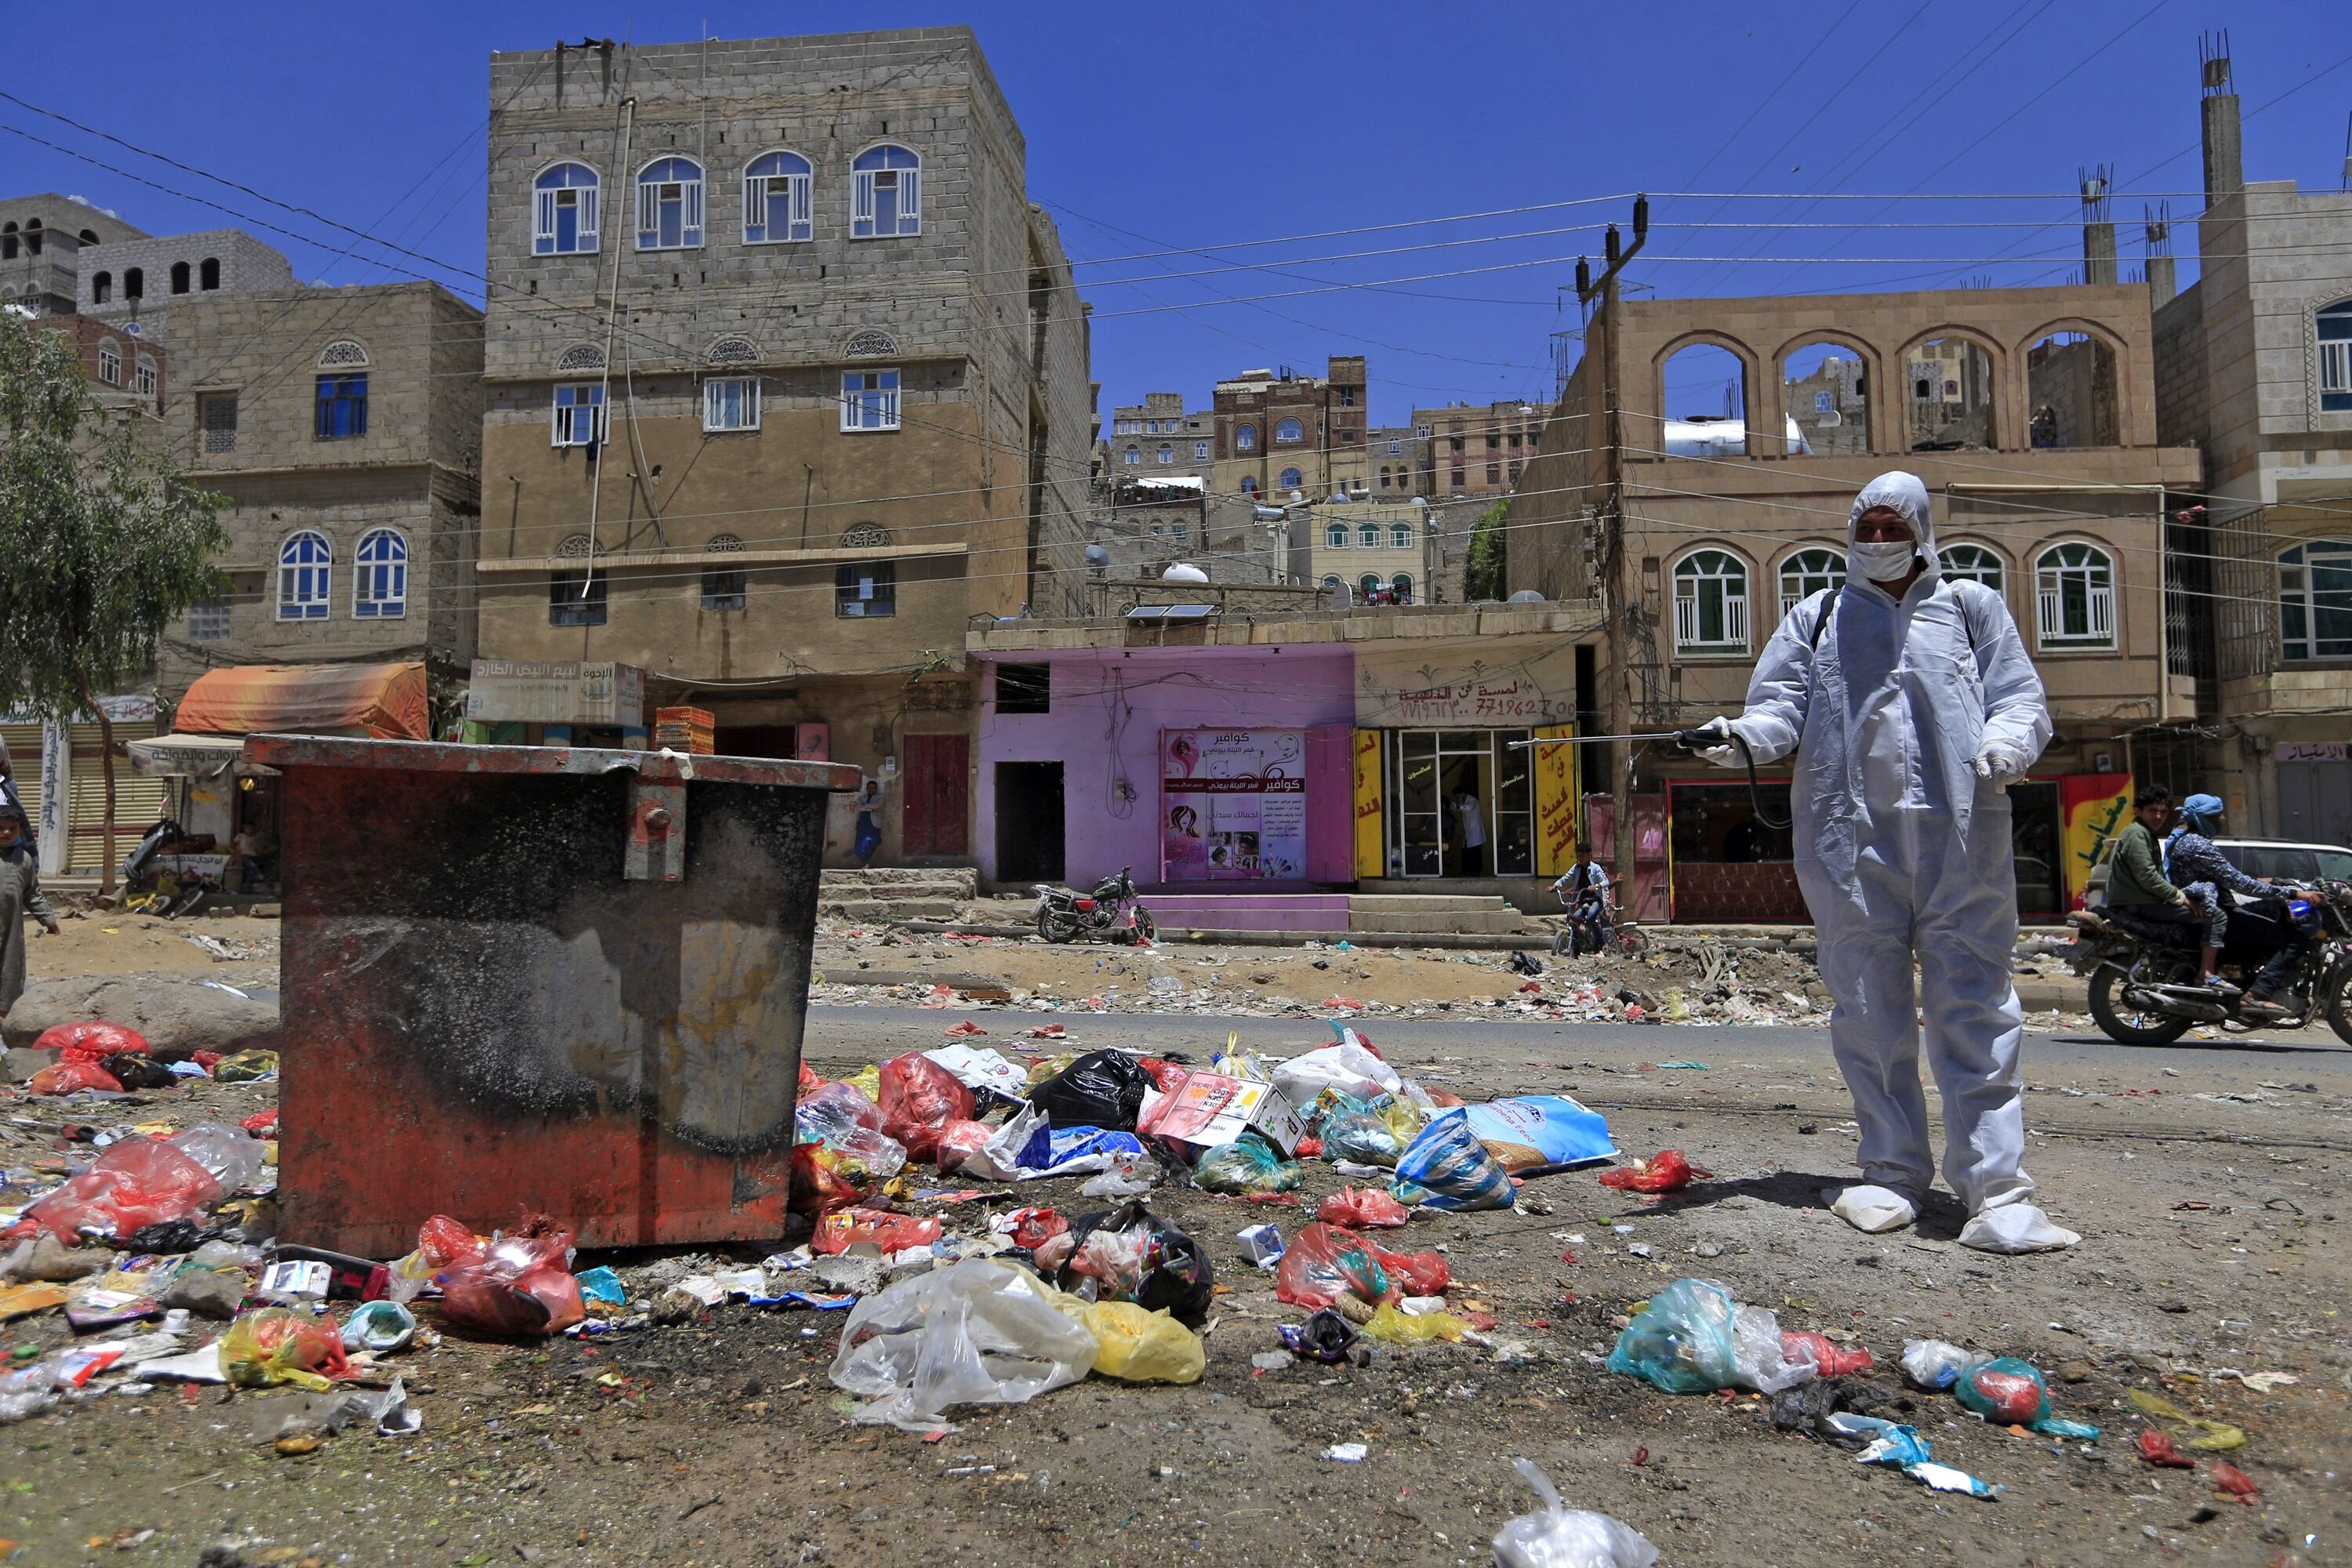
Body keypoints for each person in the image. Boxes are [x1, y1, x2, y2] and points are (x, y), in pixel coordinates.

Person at [1696, 470, 2074, 1254]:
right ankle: (1893, 1170)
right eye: (1864, 527)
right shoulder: (1819, 615)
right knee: (1868, 1012)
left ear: (1922, 528)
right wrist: (1736, 735)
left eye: (1890, 525)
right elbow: (1780, 710)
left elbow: (2021, 697)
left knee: (1975, 1008)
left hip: (1962, 840)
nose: (1877, 540)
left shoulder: (1971, 608)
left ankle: (1997, 1189)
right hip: (1848, 843)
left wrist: (2008, 741)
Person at [2165, 793, 2317, 1011]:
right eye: (2217, 815)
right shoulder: (2198, 845)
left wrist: (2268, 880)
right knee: (2296, 939)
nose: (2223, 819)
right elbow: (2239, 883)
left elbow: (2230, 877)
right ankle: (2257, 993)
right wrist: (2293, 894)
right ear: (2204, 818)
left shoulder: (2189, 841)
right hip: (2220, 914)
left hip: (2215, 910)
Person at [0, 800, 60, 1018]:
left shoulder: (23, 860)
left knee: (10, 968)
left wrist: (47, 918)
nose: (6, 832)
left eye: (12, 829)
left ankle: (4, 1014)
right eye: (1, 828)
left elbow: (32, 893)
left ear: (20, 830)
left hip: (11, 926)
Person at [1552, 838, 1613, 950]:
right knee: (1575, 919)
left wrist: (1596, 886)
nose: (1580, 859)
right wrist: (1555, 886)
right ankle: (1576, 950)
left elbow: (1606, 882)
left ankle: (1603, 943)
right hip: (1582, 900)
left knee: (1590, 918)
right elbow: (1566, 878)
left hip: (1596, 900)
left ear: (1589, 855)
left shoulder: (1595, 868)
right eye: (1578, 856)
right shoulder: (1576, 868)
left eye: (1582, 856)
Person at [1450, 785, 1486, 877]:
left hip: (1475, 833)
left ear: (1463, 794)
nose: (1458, 799)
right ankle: (1466, 872)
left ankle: (1474, 872)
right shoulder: (1463, 802)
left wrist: (1458, 807)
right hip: (1469, 833)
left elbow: (1468, 807)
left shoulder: (1473, 800)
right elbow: (1460, 809)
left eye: (1458, 796)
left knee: (1474, 853)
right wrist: (1454, 807)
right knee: (1466, 852)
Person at [852, 775, 887, 868]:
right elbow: (859, 807)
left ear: (876, 789)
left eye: (874, 788)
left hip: (874, 823)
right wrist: (870, 808)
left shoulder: (879, 797)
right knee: (861, 844)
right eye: (870, 788)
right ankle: (865, 862)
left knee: (874, 840)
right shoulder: (862, 798)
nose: (872, 790)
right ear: (867, 788)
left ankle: (867, 859)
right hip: (863, 822)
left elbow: (878, 805)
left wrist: (866, 807)